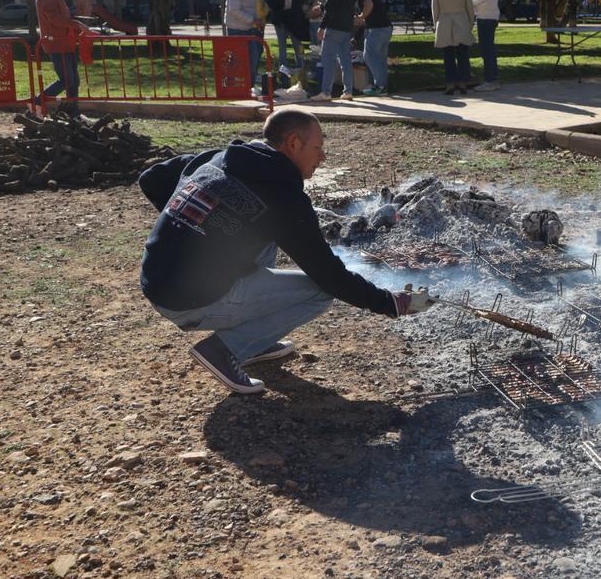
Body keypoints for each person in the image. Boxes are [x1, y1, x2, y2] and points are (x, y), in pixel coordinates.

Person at [138, 108, 433, 395]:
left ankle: (255, 341)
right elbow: (328, 275)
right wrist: (389, 303)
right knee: (319, 292)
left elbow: (152, 178)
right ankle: (224, 349)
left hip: (156, 276)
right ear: (293, 143)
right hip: (187, 299)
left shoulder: (218, 159)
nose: (323, 157)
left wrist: (190, 229)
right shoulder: (283, 200)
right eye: (318, 148)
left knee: (263, 237)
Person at [34, 0, 91, 117]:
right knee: (66, 80)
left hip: (66, 43)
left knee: (74, 81)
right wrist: (76, 24)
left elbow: (62, 18)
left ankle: (73, 112)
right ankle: (37, 103)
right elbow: (53, 19)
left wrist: (76, 19)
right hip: (56, 44)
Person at [310, 0, 356, 102]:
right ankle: (348, 90)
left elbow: (332, 6)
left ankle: (326, 92)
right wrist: (324, 7)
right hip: (346, 26)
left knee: (327, 59)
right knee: (345, 60)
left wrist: (322, 25)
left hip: (334, 26)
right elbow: (344, 5)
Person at [224, 0, 269, 98]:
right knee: (236, 58)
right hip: (236, 29)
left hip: (251, 29)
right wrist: (253, 20)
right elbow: (233, 10)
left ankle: (249, 85)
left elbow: (252, 8)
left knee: (254, 56)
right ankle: (230, 84)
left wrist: (260, 17)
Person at [431, 0, 474, 96]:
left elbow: (435, 10)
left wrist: (435, 24)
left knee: (448, 55)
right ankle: (462, 83)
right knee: (463, 54)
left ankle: (450, 83)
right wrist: (470, 23)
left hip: (444, 22)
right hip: (461, 21)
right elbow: (470, 8)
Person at [468, 0, 501, 92]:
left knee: (487, 50)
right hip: (489, 16)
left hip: (486, 17)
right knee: (489, 50)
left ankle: (490, 81)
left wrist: (468, 2)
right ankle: (492, 79)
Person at [354, 0, 392, 95]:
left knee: (369, 56)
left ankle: (379, 86)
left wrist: (361, 16)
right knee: (380, 59)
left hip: (377, 30)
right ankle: (382, 87)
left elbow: (368, 5)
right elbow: (369, 14)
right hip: (386, 28)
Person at [266, 0, 309, 69]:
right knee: (282, 46)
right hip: (281, 22)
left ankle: (301, 67)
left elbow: (300, 6)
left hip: (294, 22)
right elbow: (272, 5)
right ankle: (283, 69)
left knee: (297, 45)